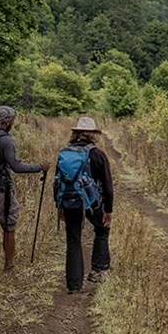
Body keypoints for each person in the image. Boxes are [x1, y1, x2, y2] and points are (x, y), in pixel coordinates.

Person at [0, 105, 50, 273]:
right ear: (7, 121)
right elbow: (16, 166)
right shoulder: (6, 140)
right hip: (1, 190)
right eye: (13, 120)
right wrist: (40, 166)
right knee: (9, 226)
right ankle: (9, 266)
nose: (14, 123)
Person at [58, 117, 114, 294]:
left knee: (73, 239)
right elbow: (107, 186)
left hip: (69, 200)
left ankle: (74, 285)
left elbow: (58, 182)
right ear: (93, 134)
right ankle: (98, 270)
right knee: (102, 230)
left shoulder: (65, 152)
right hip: (92, 201)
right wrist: (108, 210)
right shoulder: (97, 154)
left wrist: (60, 207)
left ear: (76, 133)